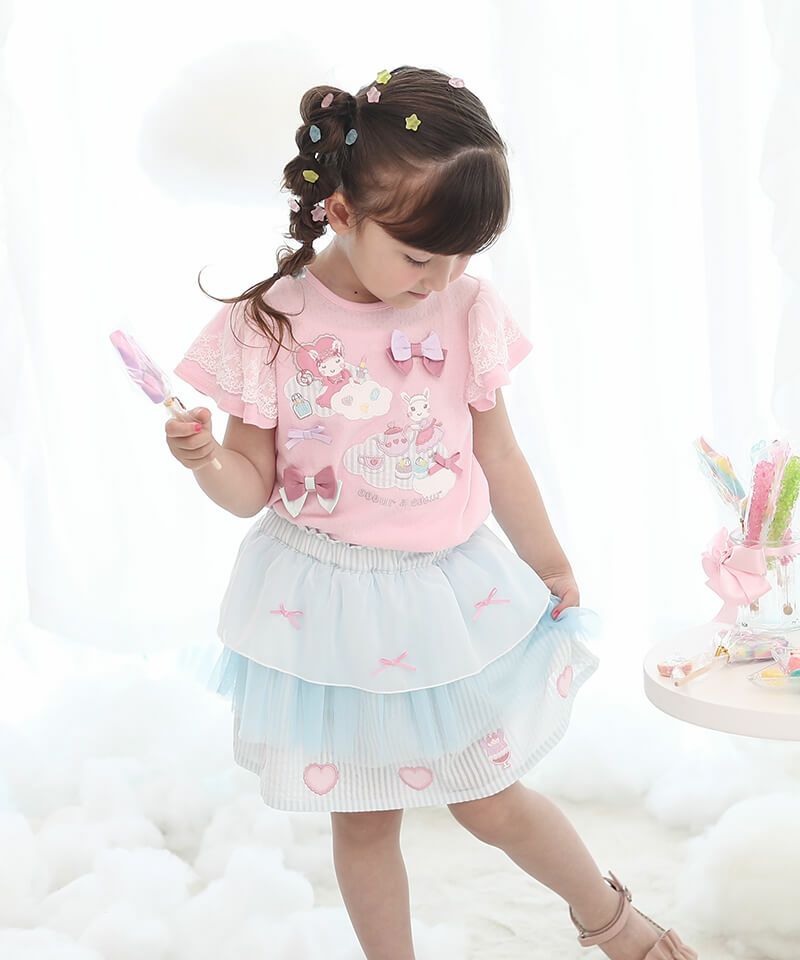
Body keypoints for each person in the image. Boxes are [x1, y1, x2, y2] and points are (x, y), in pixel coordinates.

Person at [166, 66, 697, 960]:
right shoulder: (273, 324)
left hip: (442, 596)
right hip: (328, 604)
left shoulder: (463, 306)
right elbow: (249, 487)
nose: (442, 277)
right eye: (420, 256)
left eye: (463, 254)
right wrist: (205, 460)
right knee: (365, 820)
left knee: (488, 796)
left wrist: (550, 562)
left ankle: (614, 922)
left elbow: (499, 454)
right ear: (341, 212)